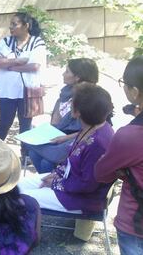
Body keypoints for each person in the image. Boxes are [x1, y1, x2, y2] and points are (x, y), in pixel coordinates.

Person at [18, 83, 113, 238]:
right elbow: (72, 160)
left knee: (19, 199)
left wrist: (56, 183)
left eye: (71, 102)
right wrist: (56, 173)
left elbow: (88, 185)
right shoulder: (93, 126)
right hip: (69, 182)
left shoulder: (99, 143)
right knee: (15, 188)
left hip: (82, 199)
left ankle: (20, 238)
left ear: (77, 112)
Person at [95, 56, 143, 255]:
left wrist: (123, 169)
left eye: (124, 83)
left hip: (136, 226)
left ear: (135, 92)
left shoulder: (129, 136)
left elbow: (102, 173)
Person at [27, 58, 99, 173]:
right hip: (60, 135)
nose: (63, 74)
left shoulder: (92, 97)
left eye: (67, 71)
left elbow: (95, 129)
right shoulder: (66, 92)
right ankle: (48, 183)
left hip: (80, 139)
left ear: (77, 77)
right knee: (33, 152)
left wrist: (65, 137)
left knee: (47, 162)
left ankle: (54, 186)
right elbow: (56, 120)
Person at [0, 12, 46, 160]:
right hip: (7, 91)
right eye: (11, 24)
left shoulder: (37, 42)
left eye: (15, 24)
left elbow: (34, 66)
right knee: (4, 123)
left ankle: (26, 155)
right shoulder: (6, 42)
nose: (11, 27)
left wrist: (8, 65)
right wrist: (18, 61)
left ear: (26, 26)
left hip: (28, 91)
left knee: (25, 124)